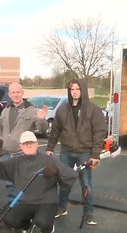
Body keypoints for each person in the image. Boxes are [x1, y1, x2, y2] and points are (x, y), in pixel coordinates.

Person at [0, 131, 77, 233]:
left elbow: (70, 176)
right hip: (25, 201)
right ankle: (27, 226)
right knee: (9, 219)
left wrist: (56, 172)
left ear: (37, 144)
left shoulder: (49, 160)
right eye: (25, 143)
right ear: (20, 146)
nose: (28, 145)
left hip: (46, 202)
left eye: (31, 143)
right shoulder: (15, 162)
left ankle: (47, 231)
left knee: (42, 221)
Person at [46, 79, 106, 225]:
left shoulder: (93, 109)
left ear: (83, 90)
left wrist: (95, 155)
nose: (74, 91)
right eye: (72, 89)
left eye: (77, 89)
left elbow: (99, 132)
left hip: (85, 153)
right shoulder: (63, 109)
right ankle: (62, 208)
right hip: (66, 151)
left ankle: (89, 213)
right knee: (64, 181)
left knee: (86, 183)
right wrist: (49, 148)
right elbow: (55, 130)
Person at [0, 82, 48, 205]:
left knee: (22, 184)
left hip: (22, 154)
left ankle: (20, 208)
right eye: (13, 92)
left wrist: (41, 119)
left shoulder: (31, 110)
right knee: (10, 184)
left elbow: (43, 129)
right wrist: (0, 141)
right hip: (7, 153)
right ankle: (12, 207)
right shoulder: (6, 110)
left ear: (22, 93)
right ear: (9, 94)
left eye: (18, 92)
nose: (16, 95)